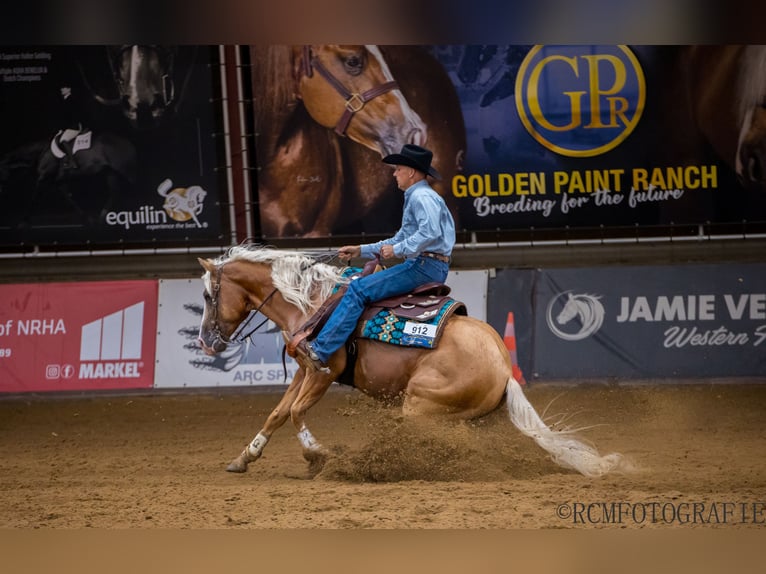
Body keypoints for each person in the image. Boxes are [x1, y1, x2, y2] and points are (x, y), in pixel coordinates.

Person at [297, 143, 456, 372]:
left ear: (411, 172)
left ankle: (321, 351)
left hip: (424, 266)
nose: (394, 174)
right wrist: (360, 250)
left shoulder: (421, 197)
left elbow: (428, 233)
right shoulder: (419, 197)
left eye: (398, 169)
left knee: (358, 289)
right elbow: (400, 238)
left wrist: (399, 250)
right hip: (428, 264)